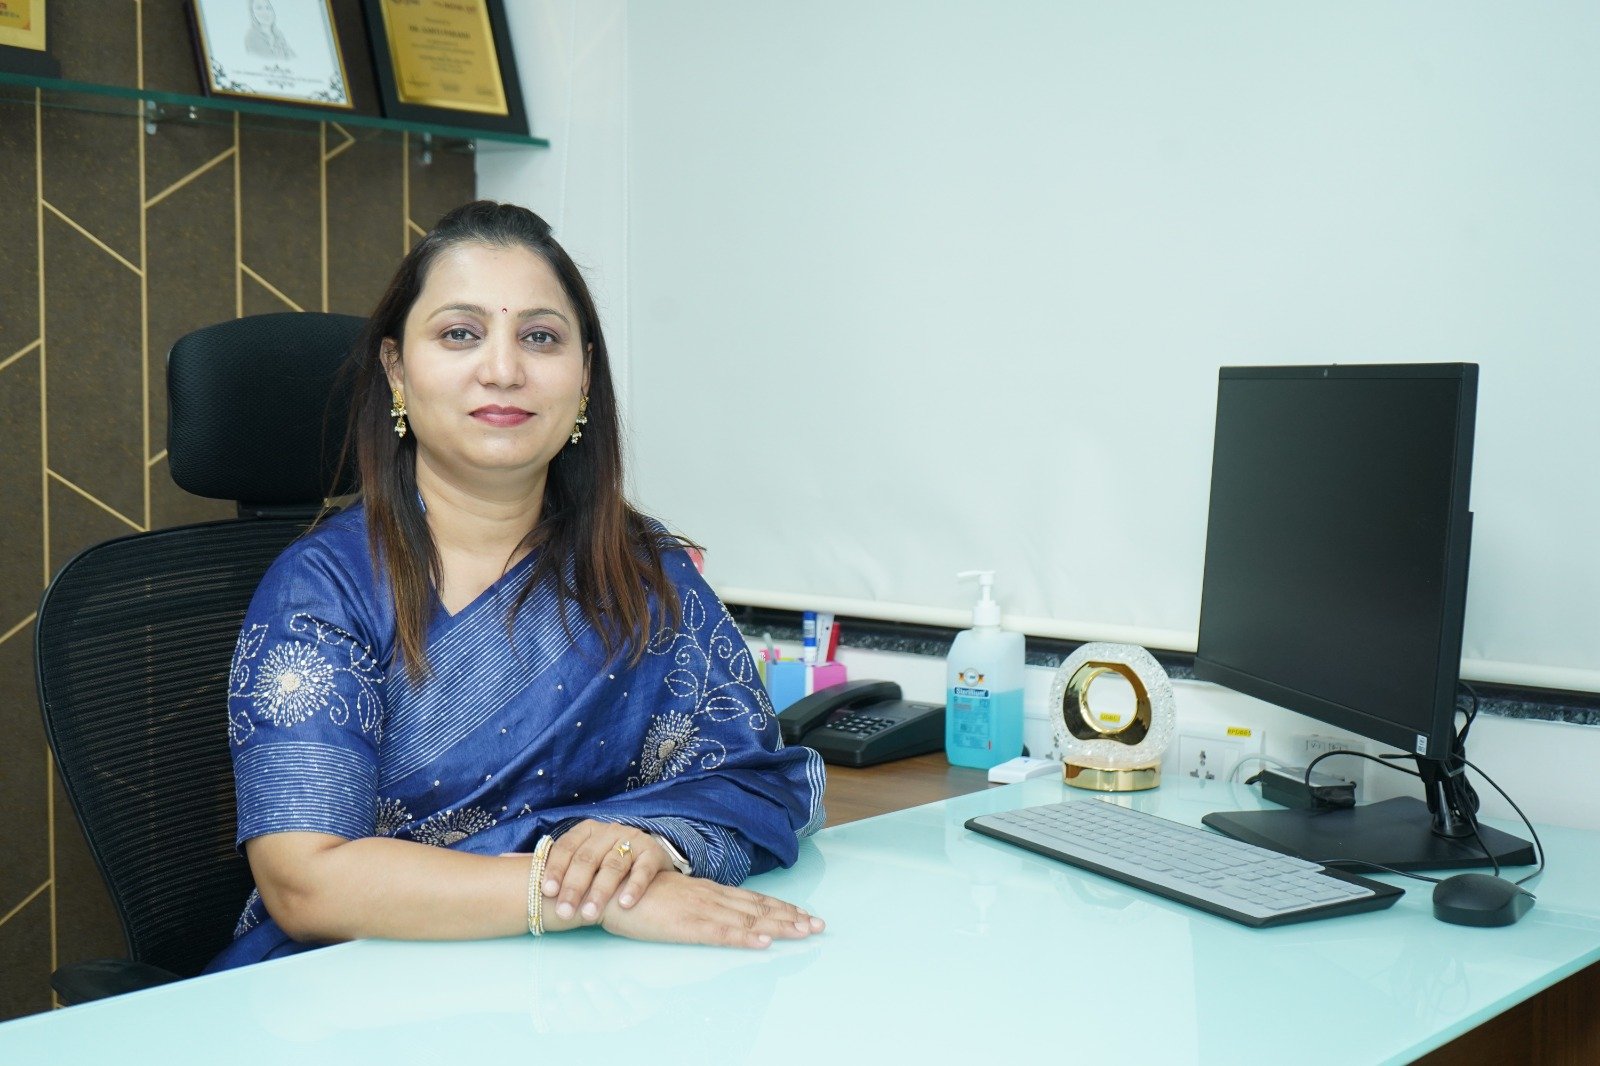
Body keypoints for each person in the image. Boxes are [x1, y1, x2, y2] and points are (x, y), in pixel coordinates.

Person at [208, 201, 827, 969]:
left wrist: (651, 845)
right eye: (459, 334)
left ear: (585, 376)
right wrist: (585, 895)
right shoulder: (324, 589)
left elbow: (758, 781)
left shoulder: (642, 573)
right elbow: (306, 883)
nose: (503, 370)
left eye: (540, 337)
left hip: (592, 985)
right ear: (396, 369)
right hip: (362, 987)